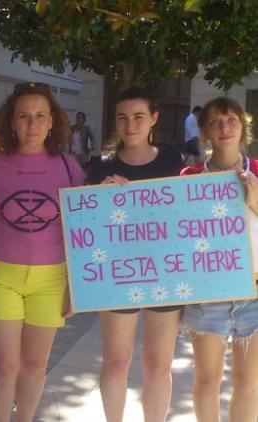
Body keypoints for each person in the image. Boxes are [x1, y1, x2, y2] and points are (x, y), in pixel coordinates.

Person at [0, 82, 85, 422]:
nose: (32, 124)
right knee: (3, 366)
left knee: (35, 365)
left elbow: (80, 232)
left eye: (40, 116)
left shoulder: (69, 168)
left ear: (52, 121)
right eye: (24, 116)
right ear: (11, 122)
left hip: (51, 280)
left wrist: (77, 287)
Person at [86, 87, 184, 422]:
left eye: (139, 116)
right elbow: (84, 227)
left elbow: (185, 218)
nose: (130, 125)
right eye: (123, 118)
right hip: (117, 271)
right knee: (116, 362)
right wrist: (98, 198)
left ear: (153, 118)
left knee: (159, 364)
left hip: (165, 272)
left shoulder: (174, 161)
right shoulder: (99, 167)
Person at [180, 97, 258, 422]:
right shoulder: (189, 176)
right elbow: (173, 234)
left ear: (243, 126)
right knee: (207, 382)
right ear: (204, 132)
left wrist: (255, 201)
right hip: (208, 294)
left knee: (249, 384)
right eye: (215, 122)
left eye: (231, 120)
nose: (224, 128)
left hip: (254, 294)